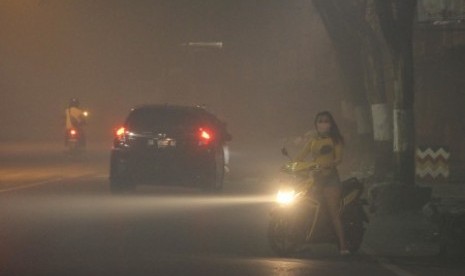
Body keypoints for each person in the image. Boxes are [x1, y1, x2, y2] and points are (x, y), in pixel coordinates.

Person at [294, 111, 349, 255]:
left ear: (331, 124)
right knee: (301, 207)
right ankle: (300, 241)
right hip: (315, 179)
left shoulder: (335, 140)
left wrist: (329, 165)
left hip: (330, 179)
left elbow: (339, 159)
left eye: (326, 121)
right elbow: (300, 157)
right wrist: (290, 167)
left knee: (333, 213)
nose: (323, 124)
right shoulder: (313, 141)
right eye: (320, 121)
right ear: (315, 124)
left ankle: (343, 246)